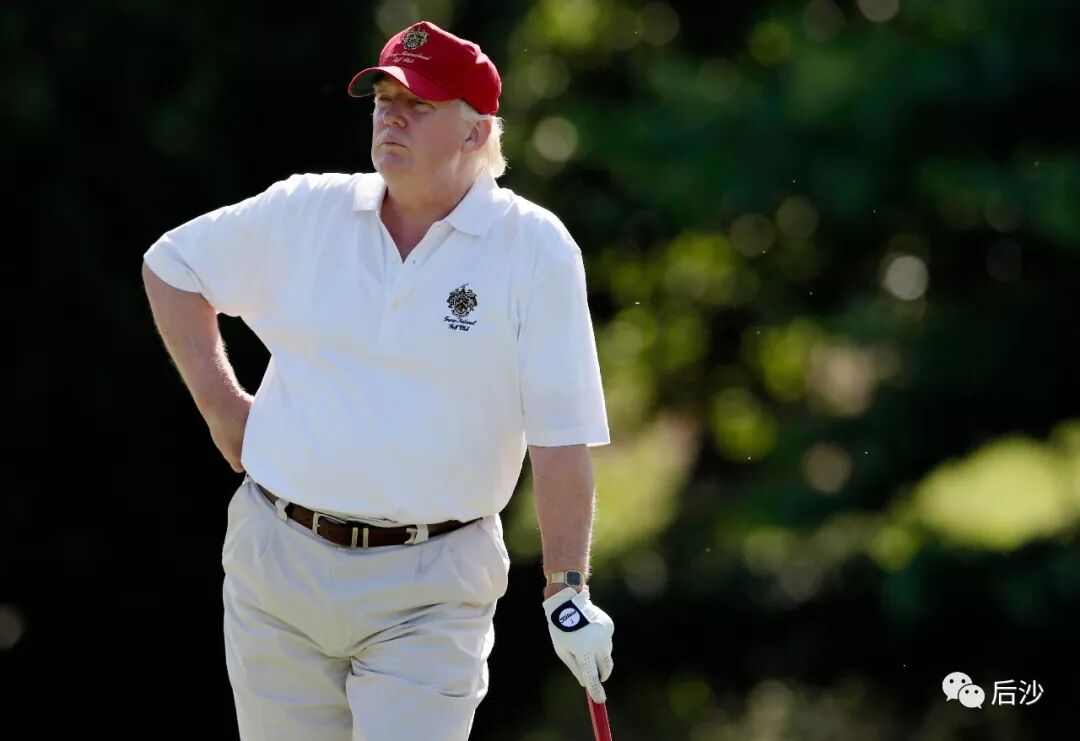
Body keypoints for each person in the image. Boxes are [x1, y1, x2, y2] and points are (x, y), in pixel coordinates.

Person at [141, 19, 615, 741]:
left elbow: (560, 437)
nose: (392, 116)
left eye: (418, 103)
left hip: (433, 588)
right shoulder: (308, 209)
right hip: (278, 563)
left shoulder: (533, 247)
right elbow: (173, 267)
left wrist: (565, 587)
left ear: (476, 131)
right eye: (384, 99)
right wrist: (222, 406)